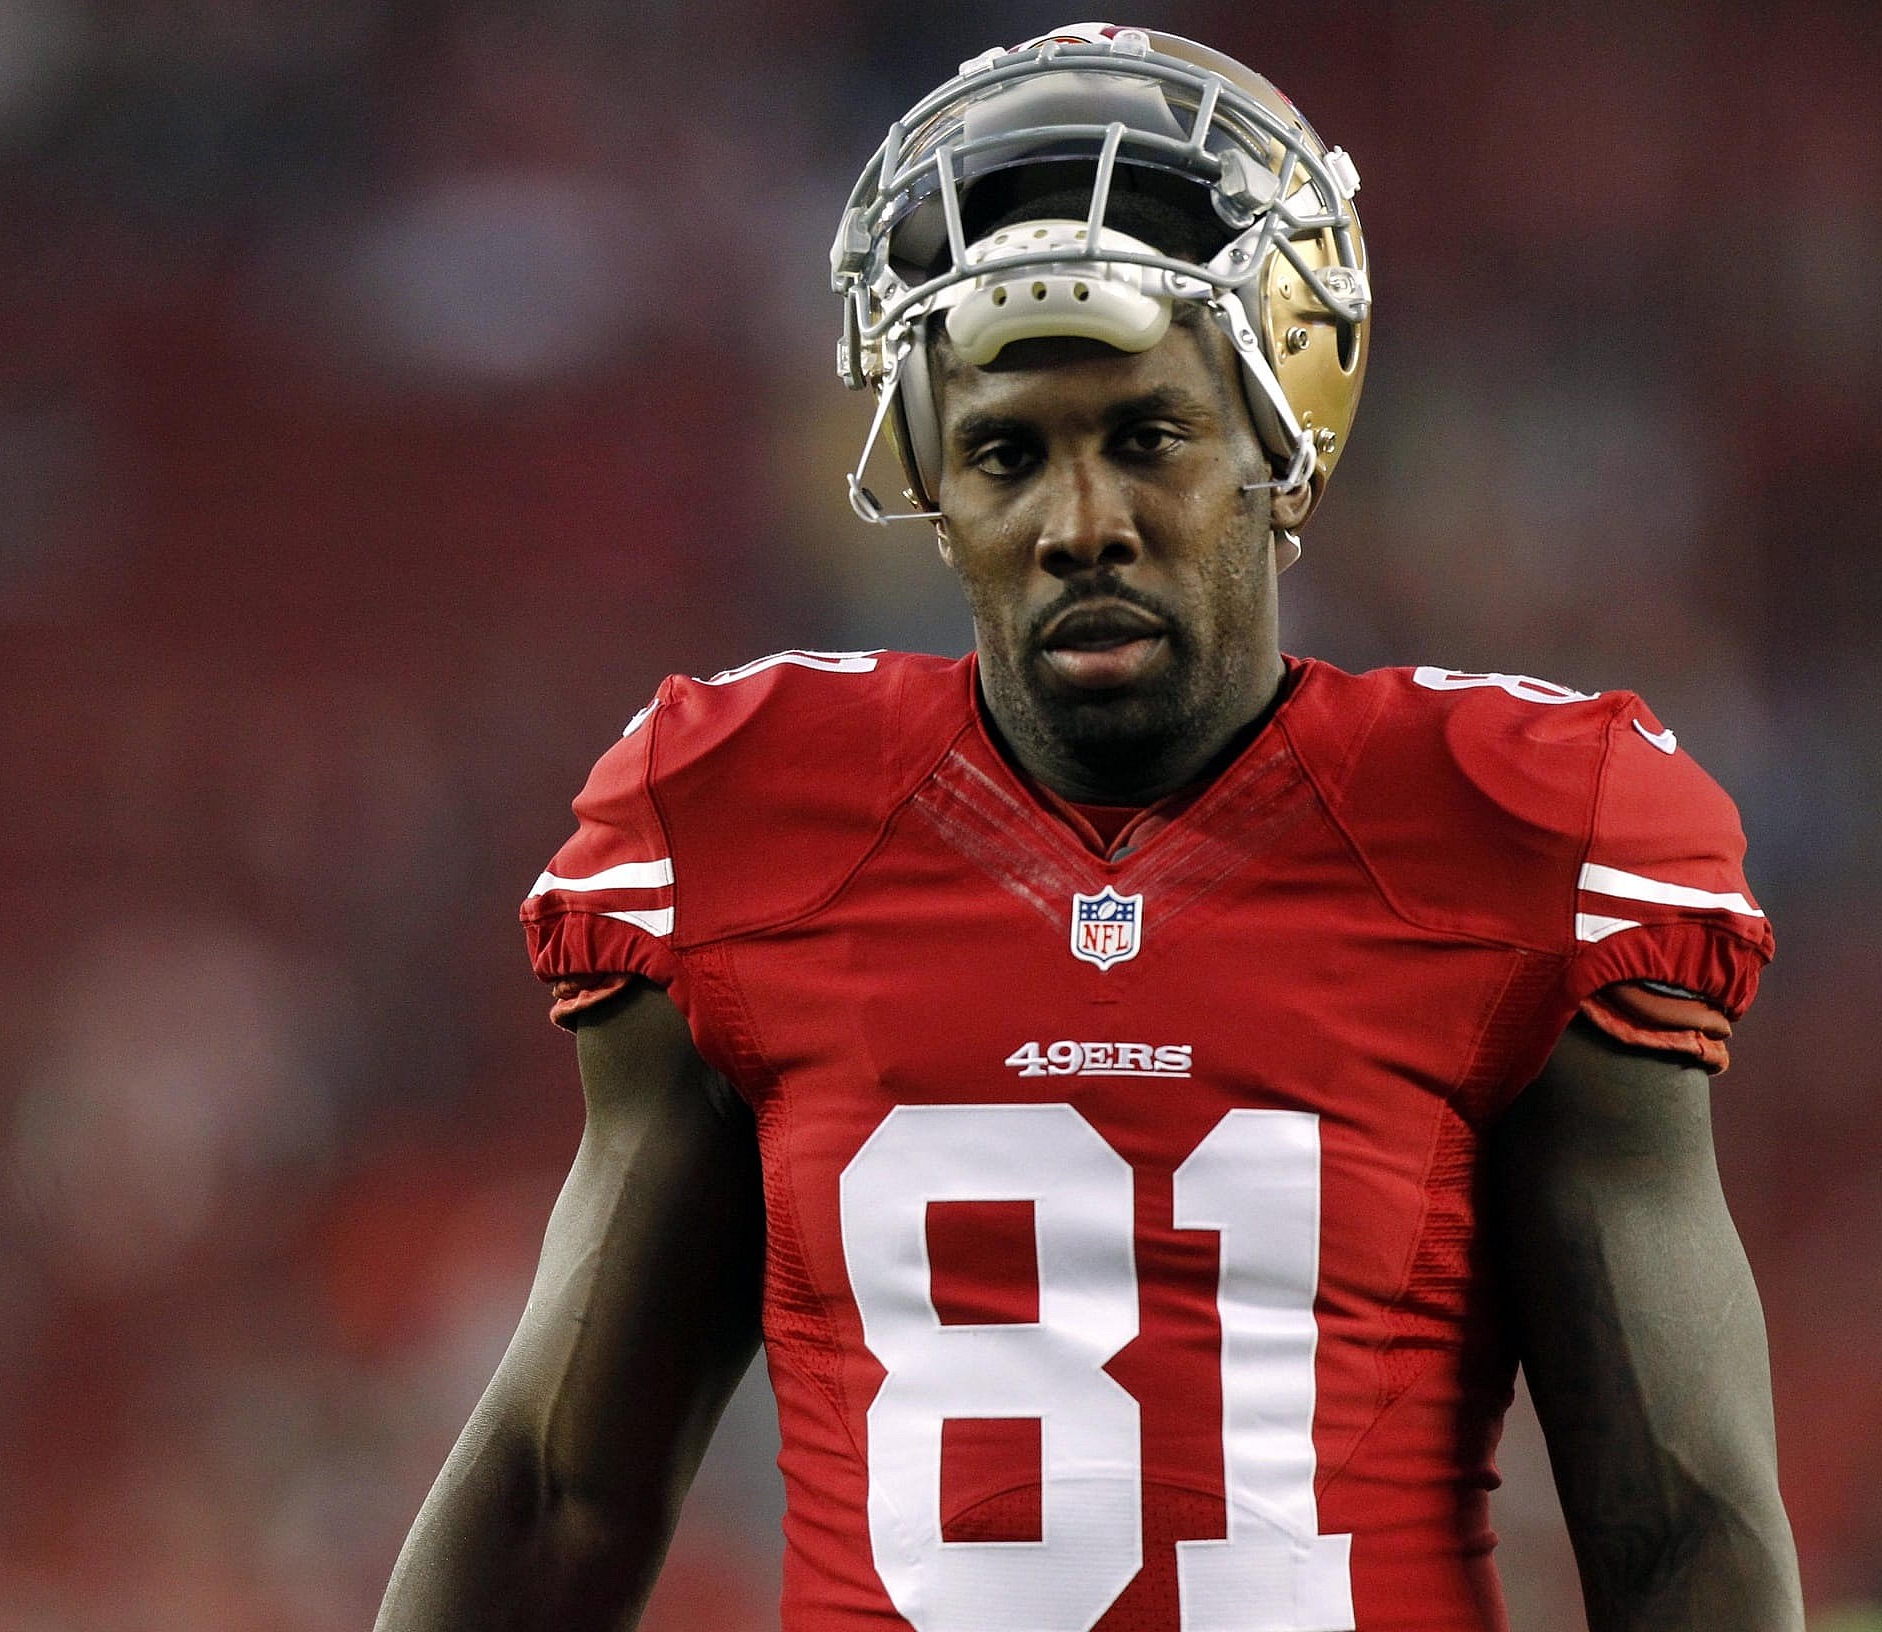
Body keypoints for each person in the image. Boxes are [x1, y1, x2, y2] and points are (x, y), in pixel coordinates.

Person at [375, 24, 1803, 1632]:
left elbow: (1683, 1529)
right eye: (1007, 453)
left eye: (1147, 437)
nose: (1080, 524)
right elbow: (563, 1493)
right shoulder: (740, 824)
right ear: (929, 481)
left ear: (1284, 450)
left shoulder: (1517, 837)